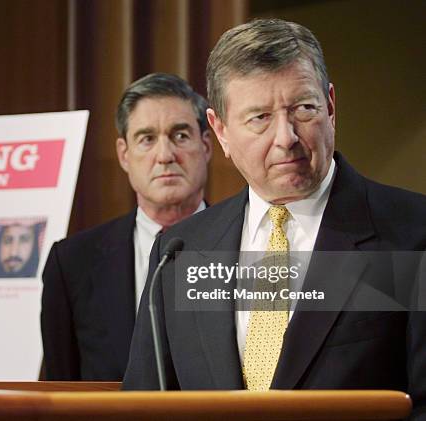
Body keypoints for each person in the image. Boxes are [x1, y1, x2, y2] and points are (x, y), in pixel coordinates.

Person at [122, 18, 426, 418]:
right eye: (259, 118)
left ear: (330, 107)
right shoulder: (180, 252)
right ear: (221, 131)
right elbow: (144, 405)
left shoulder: (411, 233)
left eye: (302, 108)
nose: (286, 138)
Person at [41, 73, 212, 380]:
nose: (165, 155)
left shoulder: (250, 247)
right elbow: (60, 388)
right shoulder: (71, 264)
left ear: (207, 146)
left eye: (181, 136)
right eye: (147, 139)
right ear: (124, 154)